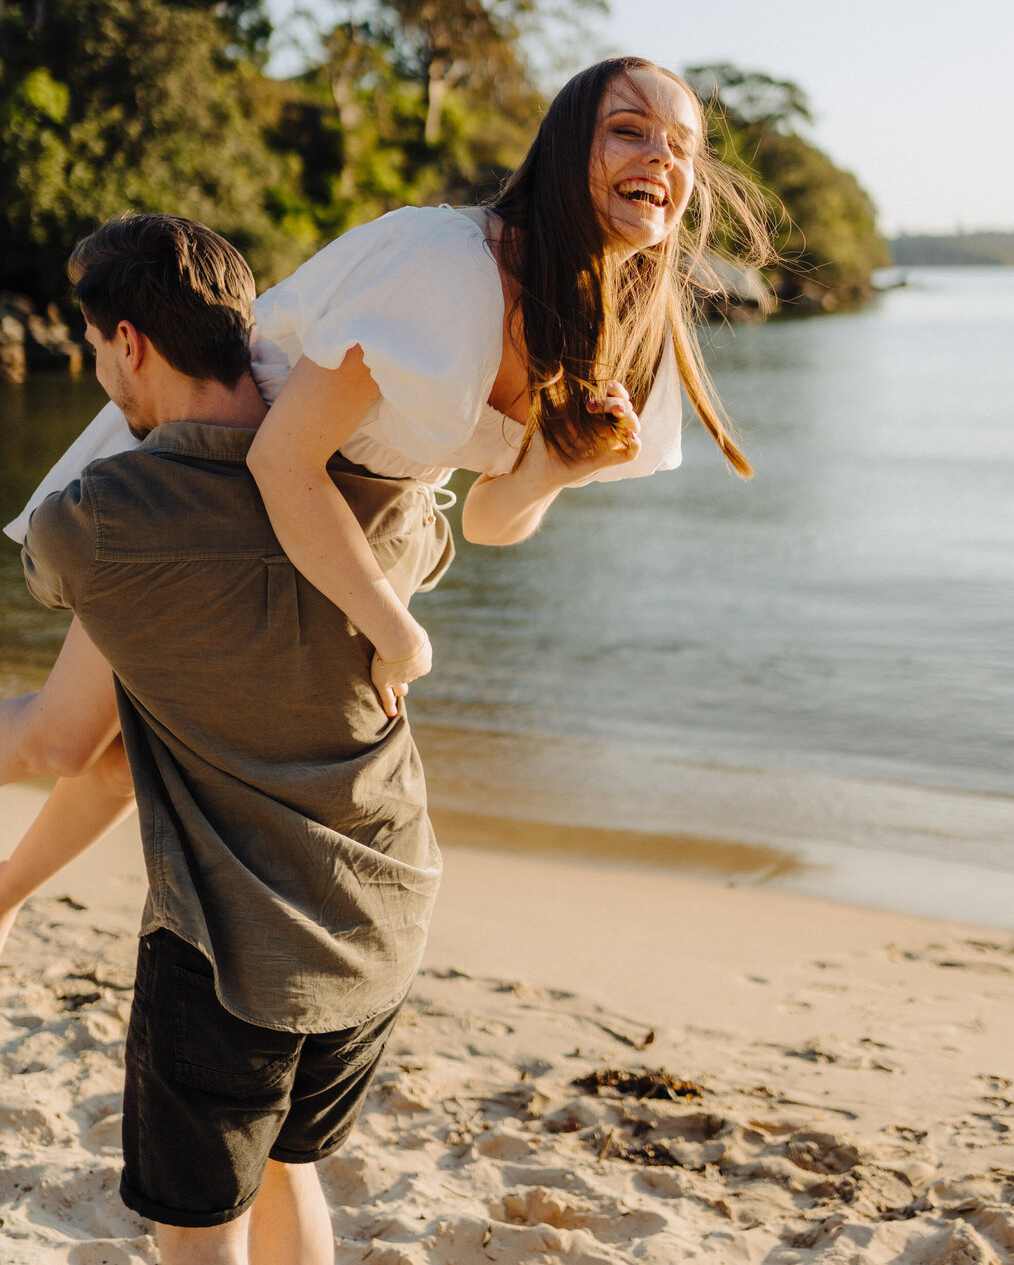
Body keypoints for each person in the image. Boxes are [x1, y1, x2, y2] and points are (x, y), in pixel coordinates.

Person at [0, 57, 768, 915]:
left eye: (683, 147)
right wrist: (396, 632)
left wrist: (557, 469)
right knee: (61, 740)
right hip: (219, 468)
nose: (662, 156)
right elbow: (280, 461)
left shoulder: (613, 325)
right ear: (561, 151)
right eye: (629, 130)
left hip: (329, 522)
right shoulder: (446, 265)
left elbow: (488, 519)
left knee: (126, 758)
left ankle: (0, 901)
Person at [19, 211, 452, 1263]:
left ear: (129, 343)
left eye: (96, 346)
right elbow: (431, 539)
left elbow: (54, 743)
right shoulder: (374, 487)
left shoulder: (95, 519)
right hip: (380, 919)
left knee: (198, 1223)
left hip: (231, 954)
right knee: (288, 1165)